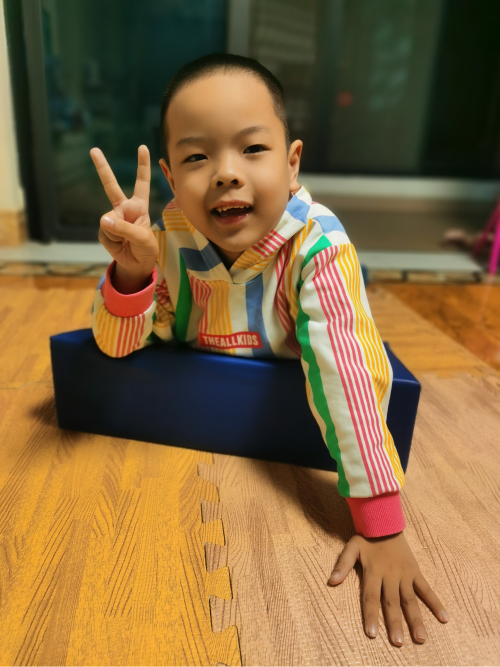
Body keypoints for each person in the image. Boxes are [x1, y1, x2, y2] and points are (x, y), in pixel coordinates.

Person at [89, 53, 448, 646]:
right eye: (197, 157)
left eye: (253, 149)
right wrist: (133, 275)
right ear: (172, 179)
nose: (226, 173)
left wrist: (380, 524)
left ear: (292, 161)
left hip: (292, 444)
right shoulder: (168, 237)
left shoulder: (319, 245)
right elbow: (114, 347)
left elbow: (345, 374)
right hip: (188, 437)